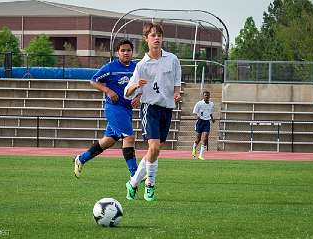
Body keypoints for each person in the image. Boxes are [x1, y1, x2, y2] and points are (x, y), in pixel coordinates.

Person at [123, 22, 182, 202]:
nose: (156, 38)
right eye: (152, 35)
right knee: (154, 147)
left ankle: (133, 182)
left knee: (153, 152)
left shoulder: (172, 59)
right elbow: (127, 92)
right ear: (146, 39)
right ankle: (150, 184)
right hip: (150, 108)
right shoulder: (142, 65)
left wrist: (177, 94)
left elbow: (176, 83)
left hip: (167, 109)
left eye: (159, 35)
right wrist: (135, 86)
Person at [73, 39, 140, 179]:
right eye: (123, 50)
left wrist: (139, 97)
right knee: (129, 137)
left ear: (132, 52)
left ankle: (81, 159)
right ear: (118, 53)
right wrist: (108, 90)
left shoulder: (136, 68)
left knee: (108, 141)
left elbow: (142, 85)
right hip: (114, 108)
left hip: (127, 110)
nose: (126, 53)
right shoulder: (110, 67)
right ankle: (135, 174)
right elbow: (93, 80)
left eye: (128, 50)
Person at [191, 91, 215, 160]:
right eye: (205, 95)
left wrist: (212, 119)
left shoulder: (211, 104)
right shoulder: (199, 103)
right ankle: (194, 149)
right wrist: (197, 116)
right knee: (198, 139)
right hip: (200, 122)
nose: (206, 96)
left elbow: (210, 113)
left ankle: (201, 155)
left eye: (208, 95)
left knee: (205, 138)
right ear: (203, 96)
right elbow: (195, 112)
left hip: (207, 122)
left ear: (209, 96)